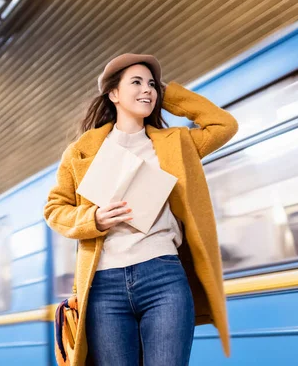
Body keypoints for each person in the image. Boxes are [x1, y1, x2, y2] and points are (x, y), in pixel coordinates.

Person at [44, 53, 238, 366]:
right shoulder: (81, 151)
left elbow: (224, 124)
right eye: (136, 82)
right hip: (103, 286)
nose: (146, 89)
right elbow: (55, 209)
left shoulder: (176, 143)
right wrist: (92, 218)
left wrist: (167, 94)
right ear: (114, 94)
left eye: (151, 84)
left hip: (164, 277)